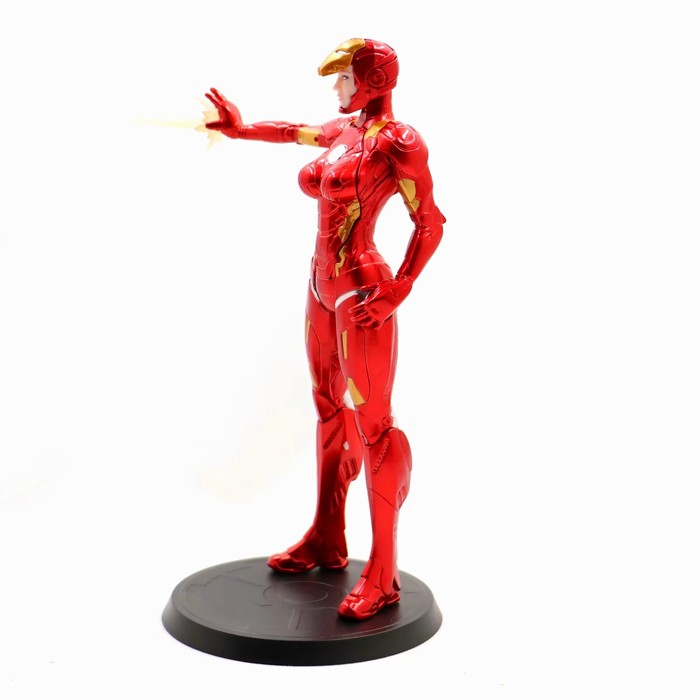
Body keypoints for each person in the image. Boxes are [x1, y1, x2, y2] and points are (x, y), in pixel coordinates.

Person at [204, 38, 445, 620]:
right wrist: (239, 129)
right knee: (327, 408)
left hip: (362, 288)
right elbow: (292, 133)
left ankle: (384, 574)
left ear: (372, 80)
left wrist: (399, 288)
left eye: (345, 78)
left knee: (374, 425)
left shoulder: (397, 141)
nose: (336, 88)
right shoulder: (342, 133)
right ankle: (327, 535)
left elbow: (429, 221)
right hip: (320, 285)